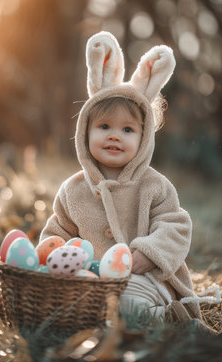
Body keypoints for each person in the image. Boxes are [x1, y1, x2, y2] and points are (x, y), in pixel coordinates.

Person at [39, 31, 202, 327]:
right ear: (86, 131)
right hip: (90, 282)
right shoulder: (72, 190)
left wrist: (149, 253)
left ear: (143, 138)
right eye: (104, 126)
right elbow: (57, 231)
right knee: (71, 305)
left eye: (128, 130)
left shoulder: (154, 185)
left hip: (144, 278)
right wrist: (55, 249)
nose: (115, 135)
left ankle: (164, 318)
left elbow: (176, 226)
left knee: (126, 305)